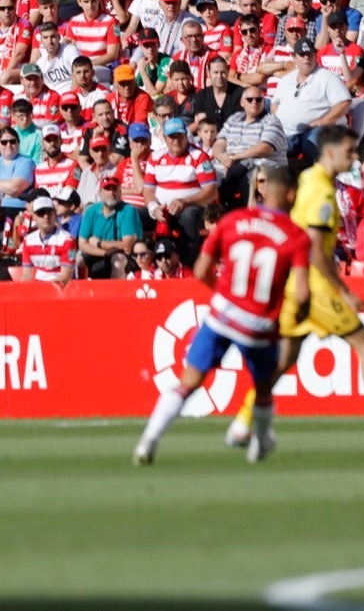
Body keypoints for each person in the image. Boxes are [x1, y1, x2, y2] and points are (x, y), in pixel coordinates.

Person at [225, 126, 364, 451]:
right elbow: (313, 249)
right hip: (314, 285)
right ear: (331, 152)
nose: (353, 159)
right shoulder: (322, 192)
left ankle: (240, 424)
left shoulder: (308, 178)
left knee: (282, 362)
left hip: (293, 282)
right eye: (350, 153)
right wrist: (344, 290)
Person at [133, 163, 310, 466]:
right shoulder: (296, 236)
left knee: (188, 381)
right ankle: (261, 443)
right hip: (258, 323)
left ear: (265, 190)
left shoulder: (234, 221)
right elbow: (304, 294)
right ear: (292, 194)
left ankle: (148, 440)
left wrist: (228, 295)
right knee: (264, 387)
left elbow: (201, 270)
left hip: (223, 314)